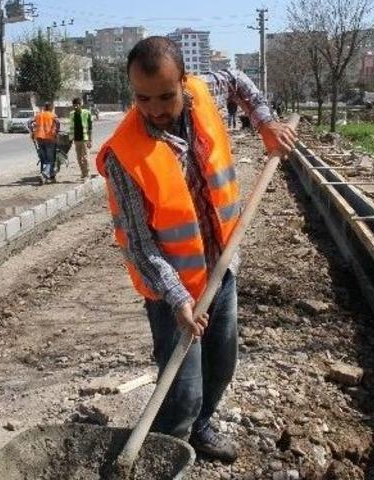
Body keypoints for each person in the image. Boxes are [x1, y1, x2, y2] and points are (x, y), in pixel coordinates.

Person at [95, 36, 296, 463]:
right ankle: (167, 449)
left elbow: (239, 80)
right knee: (181, 390)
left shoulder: (205, 91)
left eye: (166, 96)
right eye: (142, 97)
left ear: (185, 82)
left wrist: (265, 123)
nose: (154, 109)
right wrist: (179, 298)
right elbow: (138, 245)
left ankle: (203, 427)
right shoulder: (123, 154)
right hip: (172, 290)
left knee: (222, 364)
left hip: (222, 268)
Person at [29, 103, 60, 183]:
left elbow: (29, 122)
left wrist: (32, 132)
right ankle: (44, 173)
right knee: (50, 159)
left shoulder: (38, 115)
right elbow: (58, 122)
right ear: (51, 108)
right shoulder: (52, 115)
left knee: (44, 159)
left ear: (44, 108)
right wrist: (56, 132)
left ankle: (52, 176)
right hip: (49, 139)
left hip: (39, 139)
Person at [70, 98, 93, 180]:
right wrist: (71, 138)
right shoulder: (72, 114)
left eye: (78, 105)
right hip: (76, 139)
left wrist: (90, 140)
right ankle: (83, 173)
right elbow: (71, 127)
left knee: (85, 157)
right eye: (75, 105)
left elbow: (90, 127)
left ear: (81, 104)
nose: (76, 107)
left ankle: (87, 174)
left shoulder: (86, 113)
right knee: (79, 157)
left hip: (85, 138)